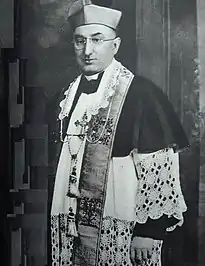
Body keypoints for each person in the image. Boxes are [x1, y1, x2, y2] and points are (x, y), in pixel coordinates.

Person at [47, 1, 189, 265]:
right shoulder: (66, 96)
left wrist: (148, 232)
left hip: (122, 220)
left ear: (116, 45)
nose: (88, 50)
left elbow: (159, 168)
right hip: (72, 225)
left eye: (97, 40)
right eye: (80, 41)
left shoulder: (142, 94)